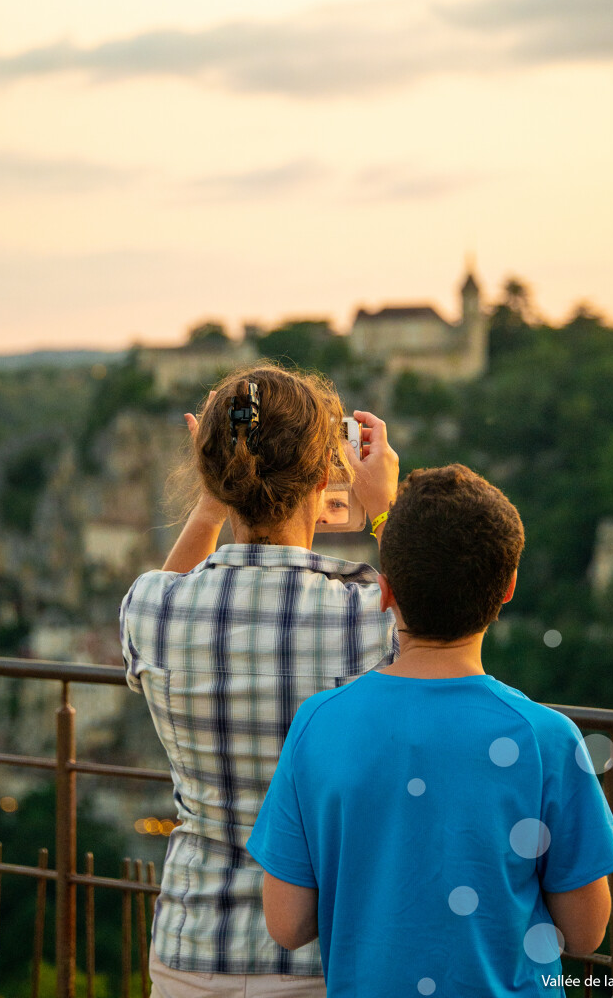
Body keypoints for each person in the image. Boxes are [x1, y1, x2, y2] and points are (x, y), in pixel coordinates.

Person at [247, 465, 613, 997]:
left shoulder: (318, 723)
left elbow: (287, 925)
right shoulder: (548, 740)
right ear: (507, 589)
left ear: (385, 592)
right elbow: (587, 932)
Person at [119, 365, 401, 997]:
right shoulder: (367, 614)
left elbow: (172, 591)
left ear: (213, 472)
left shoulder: (150, 609)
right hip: (321, 955)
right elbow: (443, 629)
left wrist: (211, 501)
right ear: (327, 474)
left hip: (189, 949)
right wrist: (385, 510)